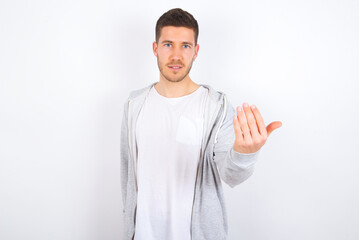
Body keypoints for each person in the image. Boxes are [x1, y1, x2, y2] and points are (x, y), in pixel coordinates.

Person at [120, 8, 282, 240]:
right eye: (168, 44)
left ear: (195, 51)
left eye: (185, 46)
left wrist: (245, 154)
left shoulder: (217, 106)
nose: (176, 55)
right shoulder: (133, 105)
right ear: (155, 49)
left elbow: (232, 175)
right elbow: (127, 177)